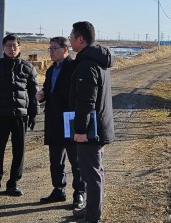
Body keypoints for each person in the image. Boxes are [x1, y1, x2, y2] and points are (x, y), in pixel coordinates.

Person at [0, 33, 40, 201]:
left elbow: (34, 93)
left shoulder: (27, 67)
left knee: (19, 150)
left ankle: (13, 183)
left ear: (19, 48)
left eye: (15, 46)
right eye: (8, 46)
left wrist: (34, 114)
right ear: (3, 48)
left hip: (21, 116)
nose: (12, 49)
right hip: (1, 115)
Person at [68, 21, 115, 223]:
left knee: (92, 174)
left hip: (90, 131)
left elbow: (86, 101)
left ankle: (93, 217)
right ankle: (91, 209)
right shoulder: (98, 61)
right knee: (96, 172)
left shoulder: (87, 65)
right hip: (100, 128)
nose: (69, 39)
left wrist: (80, 130)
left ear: (80, 39)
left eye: (71, 35)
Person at [36, 37, 85, 209]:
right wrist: (42, 96)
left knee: (76, 160)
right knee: (56, 159)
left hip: (70, 119)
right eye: (49, 49)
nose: (50, 52)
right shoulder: (50, 70)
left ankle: (79, 193)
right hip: (53, 120)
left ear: (65, 50)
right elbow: (48, 91)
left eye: (54, 48)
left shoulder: (74, 68)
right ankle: (58, 189)